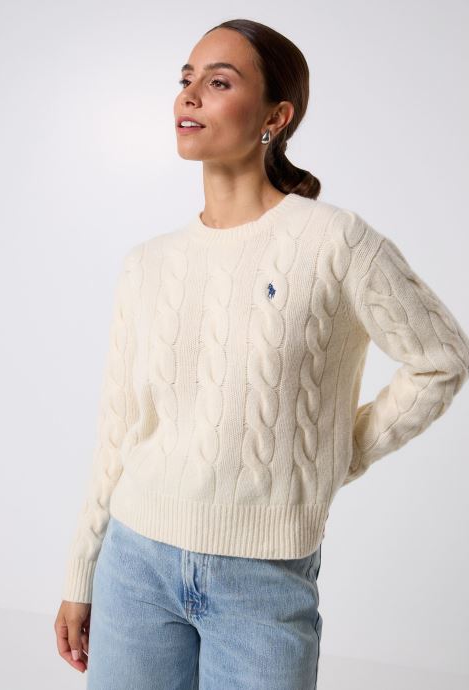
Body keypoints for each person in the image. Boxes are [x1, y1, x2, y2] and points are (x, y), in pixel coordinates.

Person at [54, 18, 469, 690]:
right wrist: (81, 572)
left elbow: (441, 358)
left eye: (219, 82)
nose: (190, 95)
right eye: (186, 79)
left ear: (277, 116)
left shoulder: (336, 242)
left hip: (263, 580)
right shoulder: (148, 264)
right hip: (134, 564)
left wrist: (339, 455)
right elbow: (117, 430)